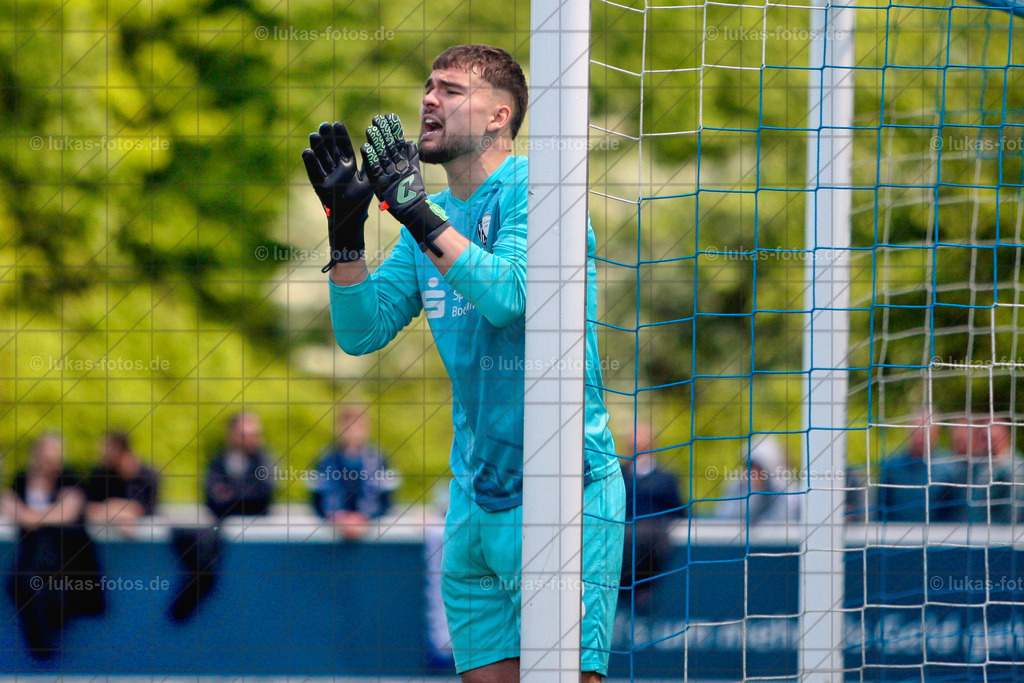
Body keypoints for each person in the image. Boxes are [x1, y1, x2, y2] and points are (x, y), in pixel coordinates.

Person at [305, 44, 623, 682]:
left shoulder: (541, 186)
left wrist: (415, 210)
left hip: (561, 491)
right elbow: (361, 331)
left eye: (450, 90)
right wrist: (346, 232)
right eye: (427, 86)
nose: (428, 98)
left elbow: (507, 296)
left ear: (499, 116)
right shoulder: (431, 225)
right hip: (474, 500)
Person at [3, 432, 105, 659]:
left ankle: (45, 646)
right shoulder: (21, 479)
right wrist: (38, 515)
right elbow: (8, 504)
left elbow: (68, 512)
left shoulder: (70, 477)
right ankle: (42, 648)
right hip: (32, 561)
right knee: (23, 584)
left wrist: (30, 516)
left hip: (67, 558)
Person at [619, 422, 686, 614]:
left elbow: (679, 513)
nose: (634, 443)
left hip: (654, 553)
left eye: (639, 439)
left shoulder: (666, 479)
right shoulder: (617, 477)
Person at [309, 405, 396, 540]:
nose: (353, 430)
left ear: (366, 428)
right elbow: (318, 499)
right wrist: (339, 517)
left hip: (370, 534)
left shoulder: (379, 459)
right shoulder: (325, 459)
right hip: (333, 536)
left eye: (358, 425)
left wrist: (364, 517)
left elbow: (387, 500)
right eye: (348, 425)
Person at [876, 413, 962, 523]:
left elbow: (955, 512)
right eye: (917, 433)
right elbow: (880, 507)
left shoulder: (951, 468)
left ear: (937, 435)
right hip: (895, 534)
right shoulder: (891, 466)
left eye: (926, 433)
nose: (921, 438)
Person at [83, 430, 159, 537]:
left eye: (105, 447)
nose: (100, 452)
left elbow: (144, 509)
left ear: (119, 449)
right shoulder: (99, 474)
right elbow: (90, 508)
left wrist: (110, 508)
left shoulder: (147, 476)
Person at [204, 411, 274, 519]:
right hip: (224, 524)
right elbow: (211, 494)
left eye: (254, 435)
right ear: (230, 434)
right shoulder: (218, 461)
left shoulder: (265, 461)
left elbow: (263, 493)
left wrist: (229, 492)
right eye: (243, 435)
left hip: (257, 526)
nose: (249, 440)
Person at [716, 436, 801, 524]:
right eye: (750, 465)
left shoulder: (786, 492)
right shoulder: (737, 487)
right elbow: (725, 519)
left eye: (758, 467)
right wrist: (753, 494)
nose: (753, 472)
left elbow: (782, 522)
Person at [950, 415, 1016, 524]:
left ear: (1006, 437)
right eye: (984, 438)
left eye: (994, 439)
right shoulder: (971, 468)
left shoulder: (1015, 470)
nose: (989, 443)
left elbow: (1011, 514)